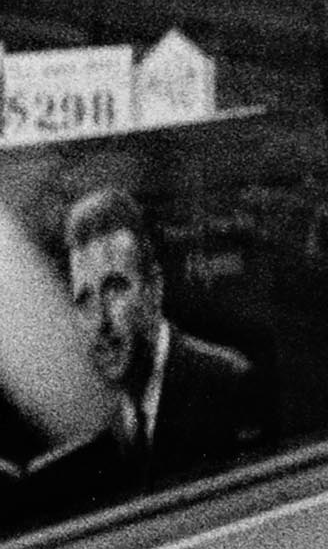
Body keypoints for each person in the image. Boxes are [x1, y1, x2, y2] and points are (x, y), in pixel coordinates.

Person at [54, 186, 263, 476]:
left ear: (154, 289)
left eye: (115, 288)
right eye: (85, 300)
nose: (100, 321)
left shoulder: (228, 383)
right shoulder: (114, 429)